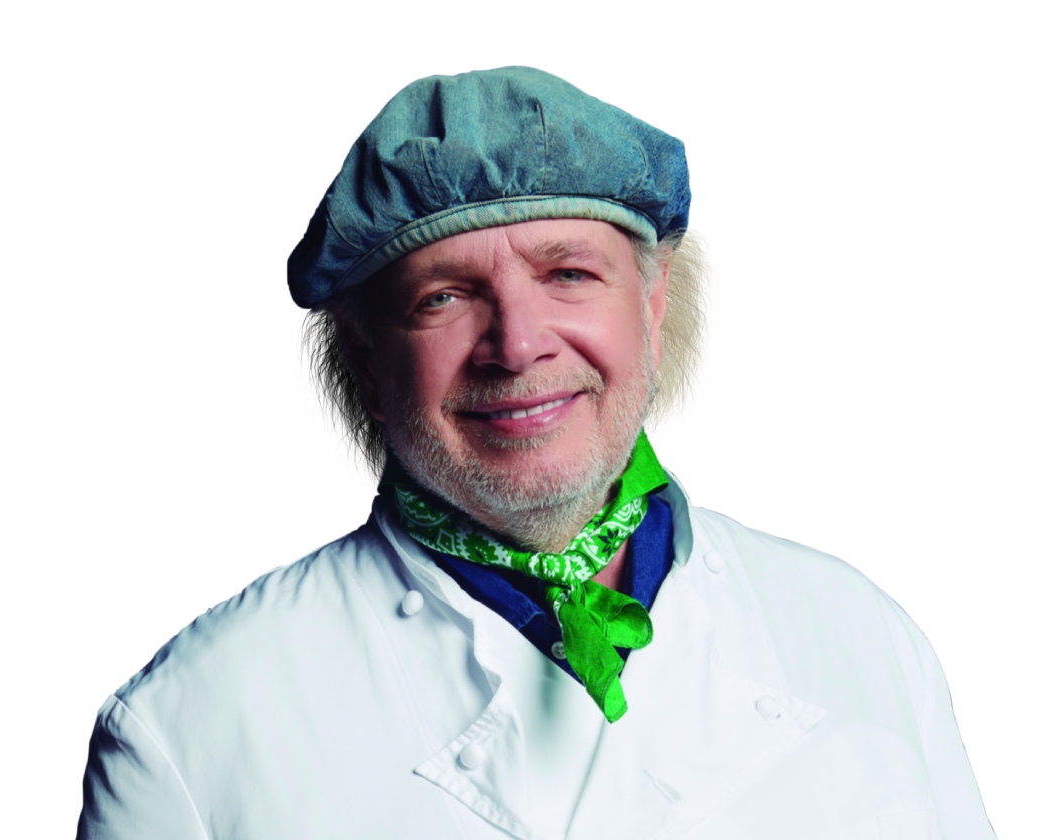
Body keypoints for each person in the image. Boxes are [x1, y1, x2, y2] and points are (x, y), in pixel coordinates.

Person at [76, 66, 996, 840]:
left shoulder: (859, 633)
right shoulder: (189, 731)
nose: (517, 345)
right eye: (443, 296)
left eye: (569, 273)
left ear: (652, 305)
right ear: (366, 355)